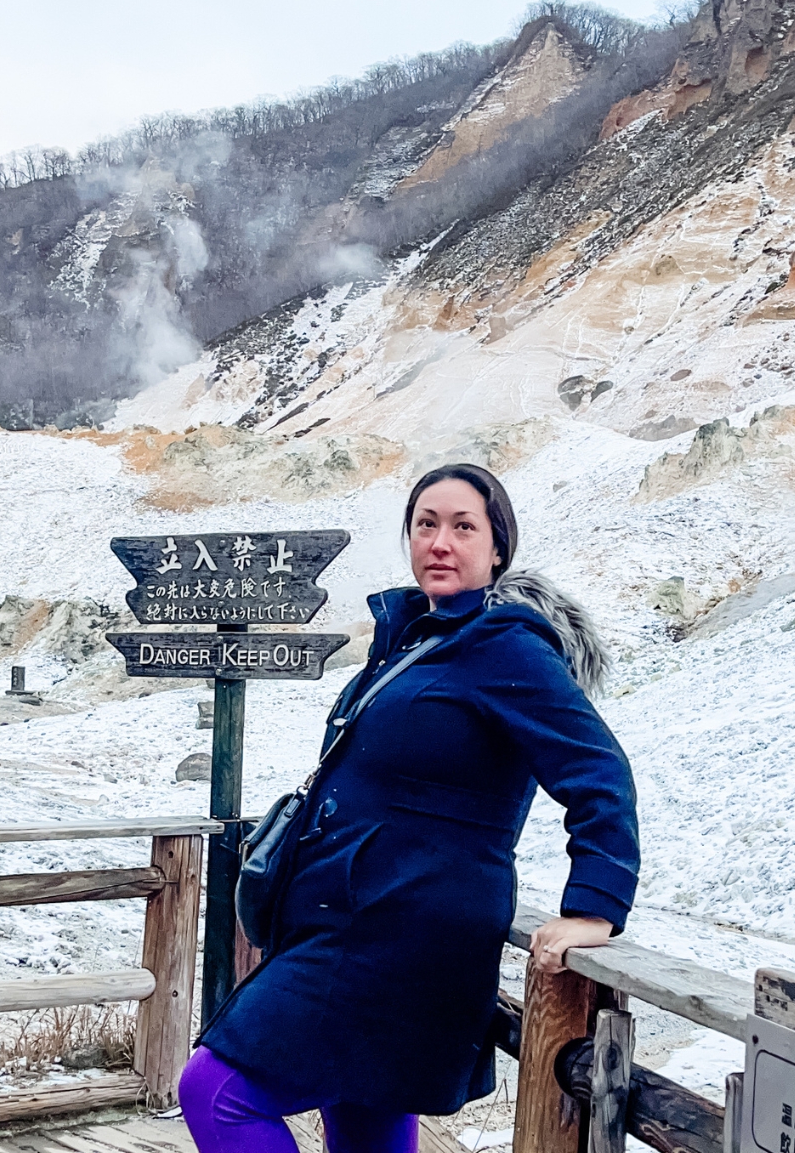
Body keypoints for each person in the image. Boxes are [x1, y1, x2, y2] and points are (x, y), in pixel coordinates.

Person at [180, 463, 640, 1153]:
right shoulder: (416, 642)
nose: (441, 542)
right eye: (426, 525)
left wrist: (594, 907)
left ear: (497, 549)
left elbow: (598, 771)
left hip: (404, 941)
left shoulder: (504, 648)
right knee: (365, 1114)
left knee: (214, 1092)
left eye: (463, 527)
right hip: (353, 925)